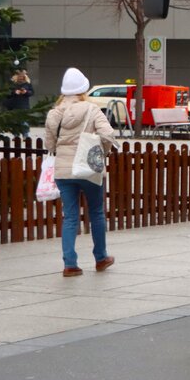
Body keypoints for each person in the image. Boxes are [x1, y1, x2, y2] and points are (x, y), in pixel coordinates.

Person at [45, 67, 117, 277]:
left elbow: (50, 145)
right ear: (83, 90)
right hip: (88, 169)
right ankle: (101, 258)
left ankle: (70, 264)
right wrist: (103, 152)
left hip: (64, 171)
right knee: (96, 212)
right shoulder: (92, 110)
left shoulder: (54, 113)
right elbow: (108, 134)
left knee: (70, 217)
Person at [5, 68, 34, 135]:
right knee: (15, 122)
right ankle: (16, 136)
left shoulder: (27, 84)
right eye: (19, 76)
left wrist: (26, 92)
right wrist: (15, 92)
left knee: (24, 121)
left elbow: (32, 92)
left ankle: (26, 136)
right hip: (14, 105)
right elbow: (7, 93)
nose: (21, 77)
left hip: (24, 105)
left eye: (22, 76)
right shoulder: (12, 83)